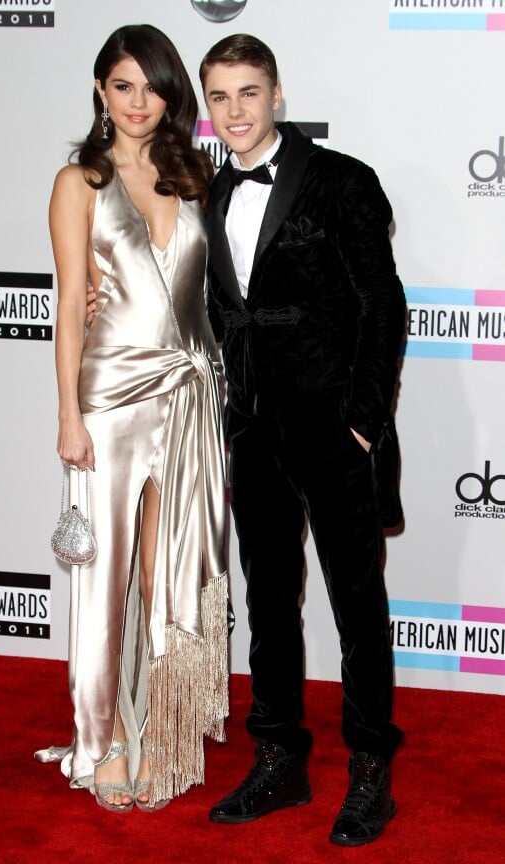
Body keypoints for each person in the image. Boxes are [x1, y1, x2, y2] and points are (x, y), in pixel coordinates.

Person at [199, 34, 406, 845]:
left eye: (249, 93)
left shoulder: (343, 181)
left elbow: (382, 306)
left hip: (334, 427)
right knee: (267, 600)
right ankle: (280, 755)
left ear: (277, 96)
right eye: (219, 97)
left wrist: (362, 420)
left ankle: (370, 770)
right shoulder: (211, 194)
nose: (235, 112)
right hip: (252, 429)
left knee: (358, 603)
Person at [37, 24, 229, 813]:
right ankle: (104, 739)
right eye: (123, 86)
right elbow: (70, 308)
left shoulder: (196, 175)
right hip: (109, 403)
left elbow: (214, 294)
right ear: (100, 91)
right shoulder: (77, 182)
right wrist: (67, 415)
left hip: (189, 400)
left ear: (170, 93)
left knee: (166, 575)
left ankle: (162, 733)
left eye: (152, 86)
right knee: (103, 582)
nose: (139, 102)